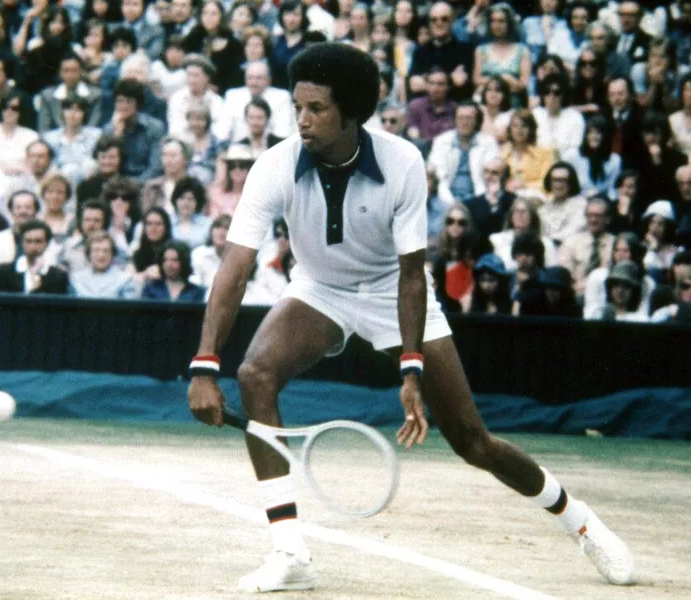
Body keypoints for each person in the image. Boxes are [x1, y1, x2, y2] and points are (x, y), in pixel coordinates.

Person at [185, 43, 634, 593]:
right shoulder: (273, 166)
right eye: (297, 107)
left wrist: (411, 369)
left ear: (351, 113)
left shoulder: (402, 163)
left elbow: (410, 276)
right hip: (320, 289)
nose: (301, 120)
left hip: (391, 291)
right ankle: (290, 551)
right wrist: (205, 364)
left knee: (473, 442)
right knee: (254, 374)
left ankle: (581, 521)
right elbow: (233, 271)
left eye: (316, 109)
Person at [428, 101, 500, 204]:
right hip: (445, 198)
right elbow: (439, 178)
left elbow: (491, 178)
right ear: (454, 120)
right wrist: (451, 203)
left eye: (469, 118)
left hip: (479, 198)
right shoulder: (441, 141)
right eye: (461, 118)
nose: (464, 122)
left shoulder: (488, 142)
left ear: (477, 120)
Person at [557, 197, 616, 299]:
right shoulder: (571, 242)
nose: (593, 220)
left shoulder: (615, 243)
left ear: (608, 219)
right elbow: (565, 274)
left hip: (606, 294)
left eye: (598, 216)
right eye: (590, 215)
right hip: (576, 294)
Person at [0, 219, 70, 294]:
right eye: (28, 241)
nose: (33, 247)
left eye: (38, 241)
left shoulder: (58, 276)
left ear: (47, 244)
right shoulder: (5, 271)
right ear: (22, 242)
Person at [562, 115, 621, 199]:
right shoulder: (572, 156)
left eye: (598, 133)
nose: (593, 136)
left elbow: (612, 189)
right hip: (576, 200)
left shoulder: (614, 160)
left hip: (602, 203)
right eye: (590, 132)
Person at [69, 230, 136, 298]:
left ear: (112, 254)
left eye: (106, 251)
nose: (101, 255)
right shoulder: (76, 279)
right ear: (89, 253)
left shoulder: (125, 280)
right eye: (96, 250)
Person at [538, 161, 588, 248]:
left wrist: (549, 241)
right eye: (555, 180)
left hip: (571, 248)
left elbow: (575, 230)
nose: (558, 184)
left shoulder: (580, 204)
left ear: (571, 182)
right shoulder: (543, 208)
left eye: (563, 180)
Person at [464, 158, 516, 239]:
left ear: (506, 178)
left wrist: (495, 206)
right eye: (486, 172)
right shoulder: (471, 203)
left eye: (494, 173)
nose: (488, 176)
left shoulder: (514, 201)